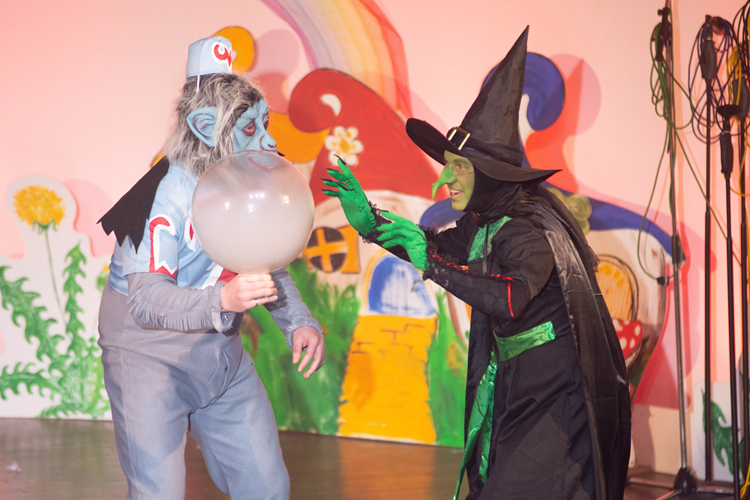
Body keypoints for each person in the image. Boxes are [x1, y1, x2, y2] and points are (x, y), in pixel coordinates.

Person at [323, 27, 630, 500]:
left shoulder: (529, 228)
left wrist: (434, 266)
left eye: (460, 166)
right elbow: (431, 247)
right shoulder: (483, 223)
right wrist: (371, 223)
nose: (447, 176)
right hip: (517, 384)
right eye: (448, 163)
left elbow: (509, 298)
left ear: (492, 175)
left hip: (557, 395)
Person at [97, 36, 325, 500]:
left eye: (264, 124)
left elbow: (265, 259)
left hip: (218, 353)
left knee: (266, 486)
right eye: (249, 128)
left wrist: (298, 321)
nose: (267, 141)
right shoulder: (166, 196)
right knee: (158, 492)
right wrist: (222, 299)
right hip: (147, 357)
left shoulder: (242, 181)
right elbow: (146, 299)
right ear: (205, 127)